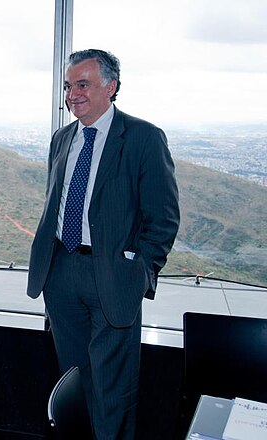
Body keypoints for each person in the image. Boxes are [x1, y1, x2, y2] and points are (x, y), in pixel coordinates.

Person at [27, 49, 179, 439]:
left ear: (110, 87)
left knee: (113, 390)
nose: (72, 94)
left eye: (82, 84)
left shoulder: (144, 138)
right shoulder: (62, 139)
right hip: (61, 274)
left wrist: (139, 272)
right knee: (75, 381)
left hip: (113, 277)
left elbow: (163, 218)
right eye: (67, 86)